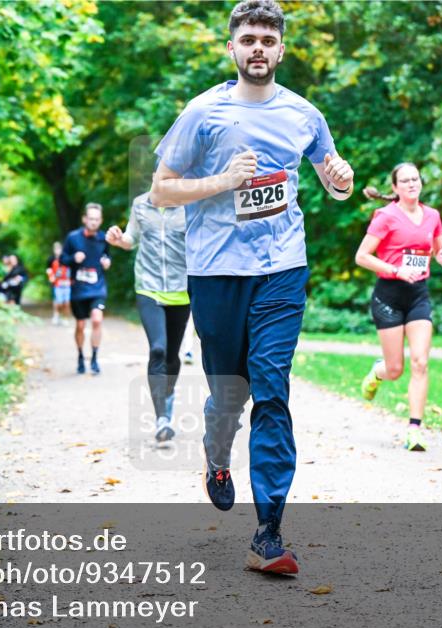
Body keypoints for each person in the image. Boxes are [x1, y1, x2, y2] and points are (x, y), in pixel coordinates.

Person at [149, 0, 355, 575]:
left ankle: (269, 532)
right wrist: (223, 180)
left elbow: (332, 179)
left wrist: (342, 180)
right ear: (232, 48)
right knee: (229, 395)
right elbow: (162, 190)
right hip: (215, 273)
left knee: (271, 389)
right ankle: (217, 459)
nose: (258, 47)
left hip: (283, 270)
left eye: (268, 38)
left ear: (281, 49)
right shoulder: (202, 112)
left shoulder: (304, 115)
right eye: (249, 39)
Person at [355, 163, 442, 452]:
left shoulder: (432, 215)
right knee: (396, 369)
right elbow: (362, 256)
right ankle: (378, 371)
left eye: (415, 179)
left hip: (418, 294)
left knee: (420, 362)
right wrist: (395, 271)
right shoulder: (385, 217)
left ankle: (415, 430)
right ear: (395, 188)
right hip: (389, 296)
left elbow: (438, 247)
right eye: (405, 180)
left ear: (421, 183)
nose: (412, 184)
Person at [107, 193, 189, 443]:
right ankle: (162, 419)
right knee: (157, 349)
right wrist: (120, 239)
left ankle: (167, 395)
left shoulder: (189, 202)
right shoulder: (140, 204)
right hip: (148, 286)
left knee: (173, 357)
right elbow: (132, 238)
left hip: (181, 290)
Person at [60, 203, 111, 375]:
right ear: (84, 219)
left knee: (97, 320)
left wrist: (107, 262)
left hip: (97, 287)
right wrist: (74, 258)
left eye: (97, 219)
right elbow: (62, 260)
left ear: (100, 220)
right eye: (91, 219)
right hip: (79, 289)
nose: (94, 222)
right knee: (80, 325)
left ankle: (95, 359)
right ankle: (81, 356)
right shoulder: (73, 238)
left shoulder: (104, 238)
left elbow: (107, 255)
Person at [46, 241, 72, 325]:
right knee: (58, 302)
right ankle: (56, 315)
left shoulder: (66, 258)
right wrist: (51, 277)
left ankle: (65, 318)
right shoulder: (51, 259)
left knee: (67, 303)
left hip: (67, 284)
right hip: (57, 284)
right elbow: (48, 270)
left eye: (59, 248)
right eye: (56, 248)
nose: (57, 250)